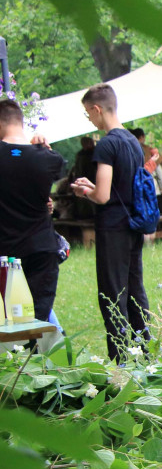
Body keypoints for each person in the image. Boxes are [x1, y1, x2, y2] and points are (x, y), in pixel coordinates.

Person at [70, 84, 151, 362]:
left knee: (112, 293)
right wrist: (95, 187)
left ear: (97, 109)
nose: (90, 120)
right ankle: (145, 352)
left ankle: (120, 361)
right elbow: (121, 186)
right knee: (135, 290)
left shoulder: (106, 144)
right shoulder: (132, 142)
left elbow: (103, 196)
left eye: (87, 114)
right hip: (133, 224)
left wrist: (85, 191)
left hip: (112, 227)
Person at [0, 99, 65, 324]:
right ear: (20, 122)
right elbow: (56, 164)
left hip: (5, 249)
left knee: (7, 318)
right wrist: (42, 147)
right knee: (38, 317)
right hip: (41, 247)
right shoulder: (48, 159)